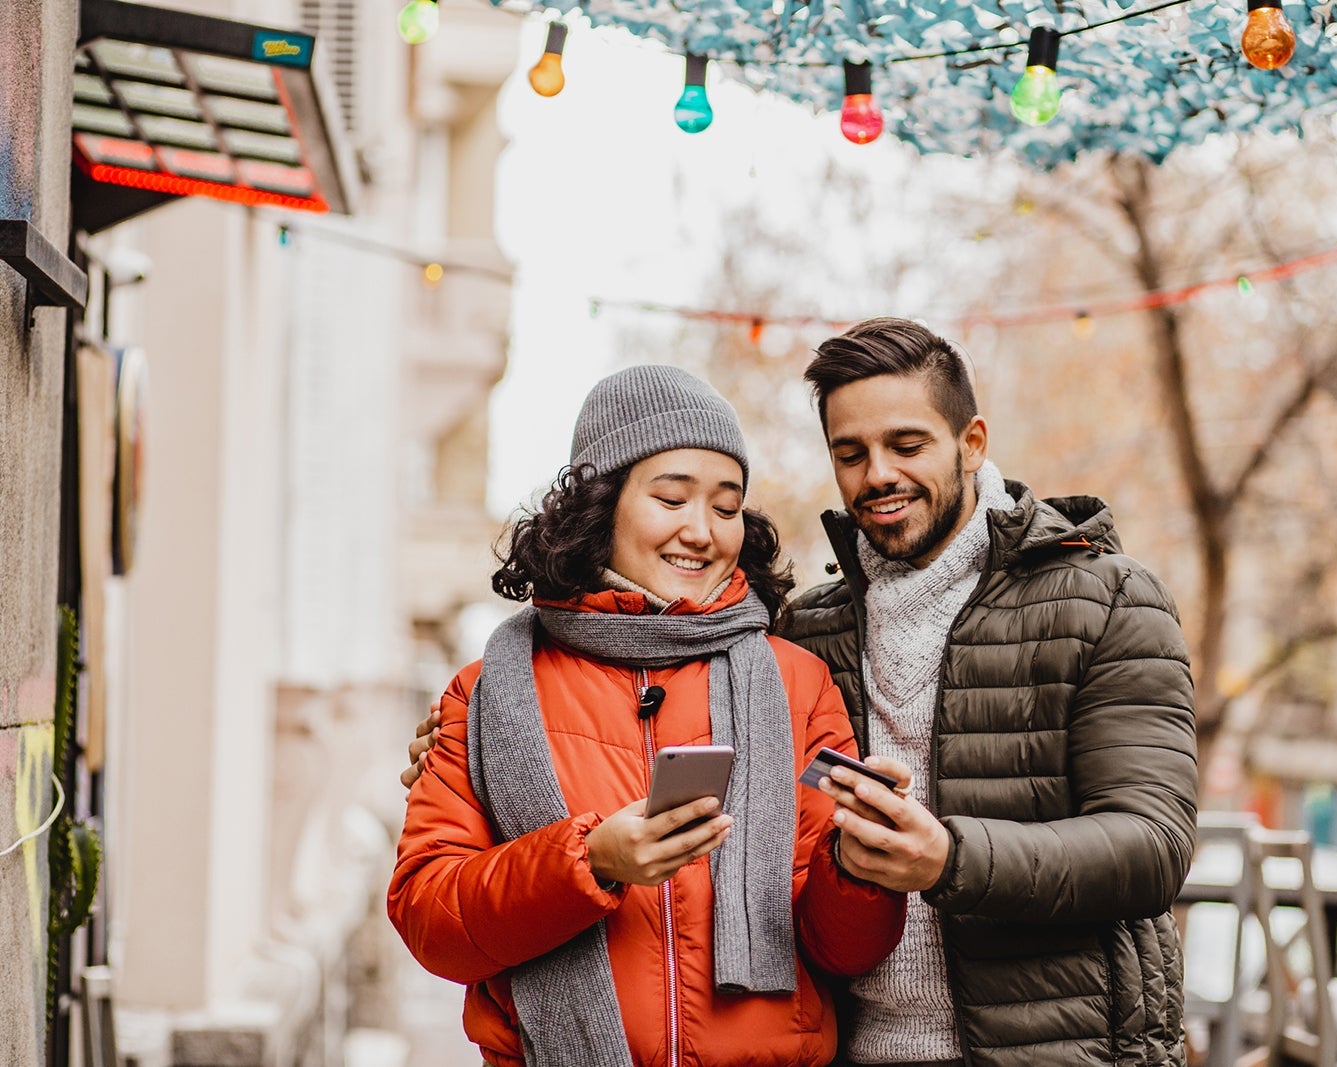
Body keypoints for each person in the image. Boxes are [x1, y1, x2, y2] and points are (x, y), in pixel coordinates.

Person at [404, 320, 1199, 1067]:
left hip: (1056, 1047)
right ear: (599, 503)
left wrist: (935, 859)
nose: (878, 473)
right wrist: (549, 818)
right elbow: (433, 907)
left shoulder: (1100, 602)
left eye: (907, 443)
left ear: (973, 442)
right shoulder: (811, 630)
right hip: (866, 1047)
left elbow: (1153, 845)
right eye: (850, 451)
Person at [388, 365, 906, 1067]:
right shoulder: (487, 693)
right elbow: (431, 919)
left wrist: (860, 866)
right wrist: (588, 861)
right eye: (671, 497)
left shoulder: (795, 682)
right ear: (601, 506)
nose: (702, 531)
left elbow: (841, 950)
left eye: (726, 507)